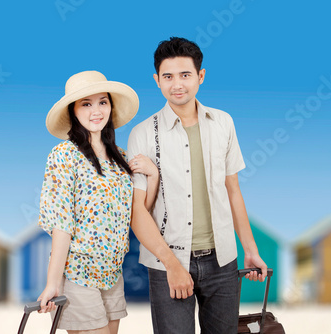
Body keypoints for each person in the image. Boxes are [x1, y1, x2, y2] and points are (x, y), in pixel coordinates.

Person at [127, 37, 268, 334]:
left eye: (185, 75)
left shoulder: (223, 123)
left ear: (200, 76)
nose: (177, 84)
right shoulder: (142, 134)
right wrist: (172, 265)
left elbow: (233, 191)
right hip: (168, 262)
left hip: (223, 260)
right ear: (157, 81)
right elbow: (137, 213)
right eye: (168, 77)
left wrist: (250, 249)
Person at [37, 70, 159, 334]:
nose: (96, 110)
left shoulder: (121, 160)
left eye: (102, 102)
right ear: (73, 111)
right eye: (86, 103)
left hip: (113, 273)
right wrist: (52, 282)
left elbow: (139, 213)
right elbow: (62, 224)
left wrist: (153, 175)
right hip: (78, 273)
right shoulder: (64, 155)